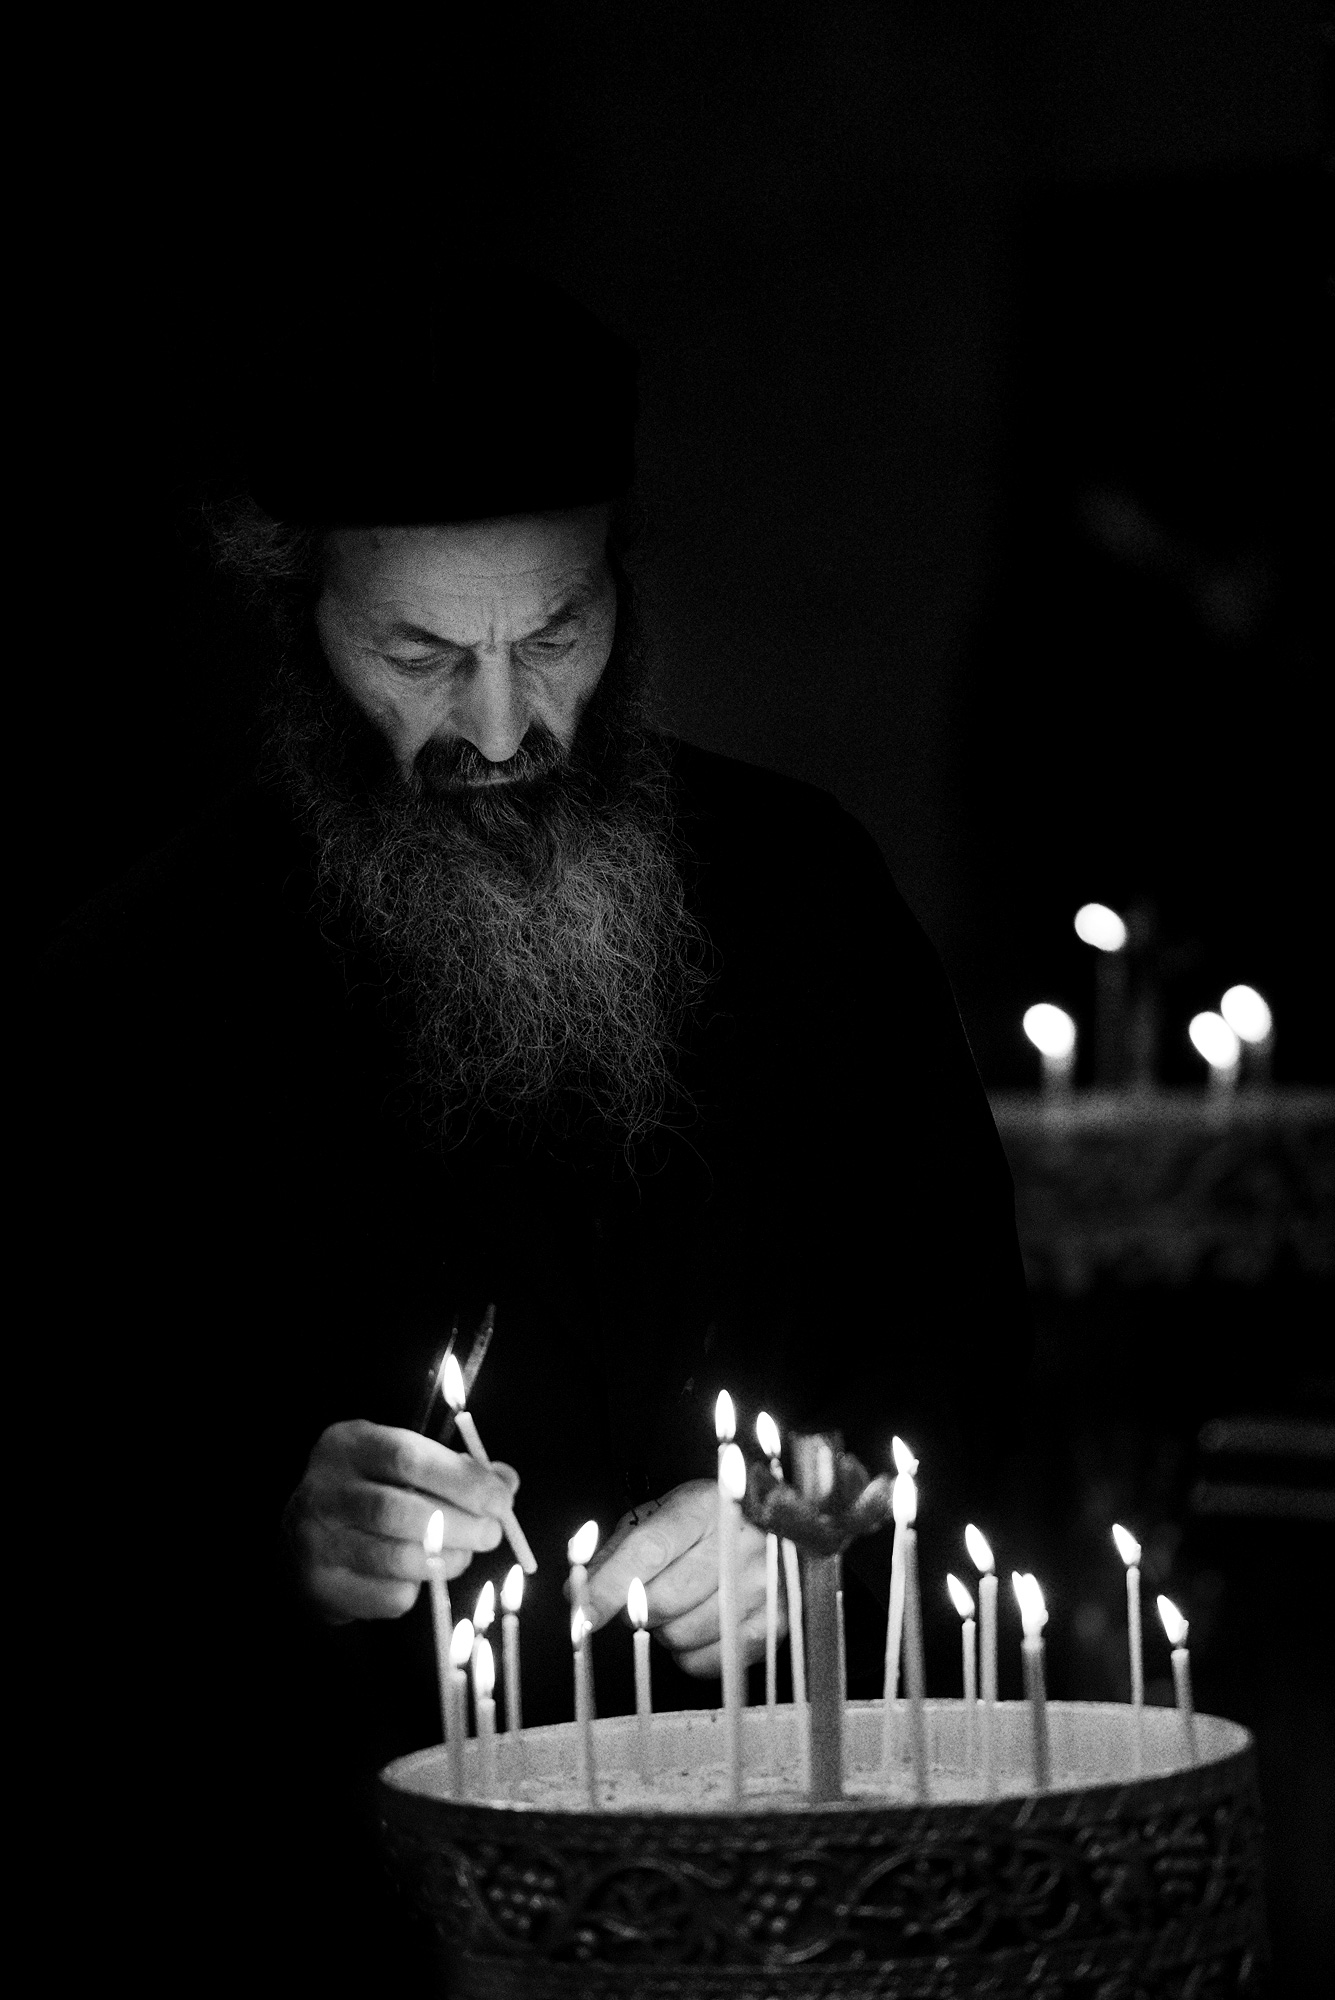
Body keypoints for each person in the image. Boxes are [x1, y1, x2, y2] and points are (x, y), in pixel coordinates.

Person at [31, 276, 1028, 1987]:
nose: (502, 727)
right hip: (332, 1924)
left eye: (556, 634)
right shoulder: (149, 976)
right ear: (300, 622)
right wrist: (282, 1548)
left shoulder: (803, 898)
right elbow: (46, 1508)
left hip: (792, 1903)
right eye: (420, 655)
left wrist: (826, 1516)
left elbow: (971, 1367)